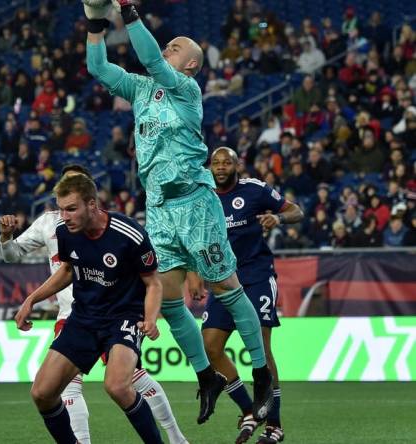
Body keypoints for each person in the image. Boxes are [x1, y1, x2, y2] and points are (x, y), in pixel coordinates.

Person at [83, 0, 274, 423]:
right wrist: (96, 23)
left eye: (174, 47)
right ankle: (207, 375)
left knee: (226, 286)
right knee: (169, 301)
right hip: (159, 208)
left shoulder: (186, 91)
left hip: (194, 203)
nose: (165, 48)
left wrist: (129, 11)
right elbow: (98, 68)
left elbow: (150, 56)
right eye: (167, 44)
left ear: (189, 65)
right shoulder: (139, 89)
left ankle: (261, 373)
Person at [0, 164, 187, 444]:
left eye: (71, 209)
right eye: (61, 209)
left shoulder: (129, 234)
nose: (65, 216)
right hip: (83, 317)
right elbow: (66, 271)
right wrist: (31, 299)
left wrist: (149, 318)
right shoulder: (64, 230)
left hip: (123, 317)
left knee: (118, 386)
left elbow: (153, 283)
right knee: (42, 392)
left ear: (92, 203)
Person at [203, 147, 304, 444]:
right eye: (216, 163)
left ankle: (274, 424)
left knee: (260, 345)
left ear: (237, 165)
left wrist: (279, 219)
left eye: (226, 162)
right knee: (210, 346)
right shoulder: (203, 196)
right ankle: (249, 410)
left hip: (257, 276)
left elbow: (296, 210)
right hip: (222, 280)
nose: (220, 167)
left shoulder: (255, 189)